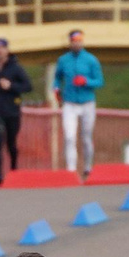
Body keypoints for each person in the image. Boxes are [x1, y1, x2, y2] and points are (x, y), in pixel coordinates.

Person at [51, 28, 103, 177]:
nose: (77, 44)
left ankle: (88, 166)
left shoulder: (91, 60)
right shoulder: (63, 60)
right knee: (69, 136)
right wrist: (55, 87)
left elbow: (100, 81)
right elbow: (57, 77)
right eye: (74, 42)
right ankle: (71, 169)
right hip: (70, 103)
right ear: (70, 43)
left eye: (79, 41)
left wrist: (86, 81)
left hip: (87, 102)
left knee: (86, 137)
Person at [0, 38, 33, 183]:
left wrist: (11, 86)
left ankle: (14, 168)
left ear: (7, 50)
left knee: (11, 143)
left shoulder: (15, 68)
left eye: (3, 47)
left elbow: (28, 86)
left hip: (12, 111)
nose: (0, 50)